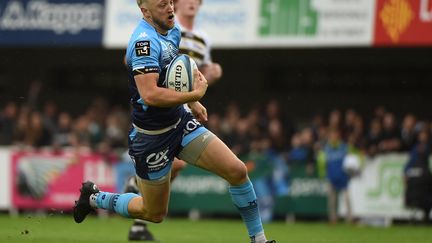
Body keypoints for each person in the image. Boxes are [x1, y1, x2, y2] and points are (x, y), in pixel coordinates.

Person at [73, 1, 275, 243]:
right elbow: (150, 95)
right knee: (153, 213)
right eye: (162, 4)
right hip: (151, 138)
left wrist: (190, 104)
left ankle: (259, 240)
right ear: (145, 11)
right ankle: (94, 198)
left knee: (237, 170)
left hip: (180, 123)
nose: (170, 7)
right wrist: (193, 96)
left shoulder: (173, 30)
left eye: (170, 1)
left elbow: (172, 72)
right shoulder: (143, 42)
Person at [125, 0, 223, 240]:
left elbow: (194, 70)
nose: (190, 2)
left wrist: (210, 73)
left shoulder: (200, 38)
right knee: (174, 166)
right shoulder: (157, 30)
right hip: (163, 105)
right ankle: (137, 191)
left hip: (182, 102)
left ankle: (138, 198)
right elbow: (136, 62)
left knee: (176, 166)